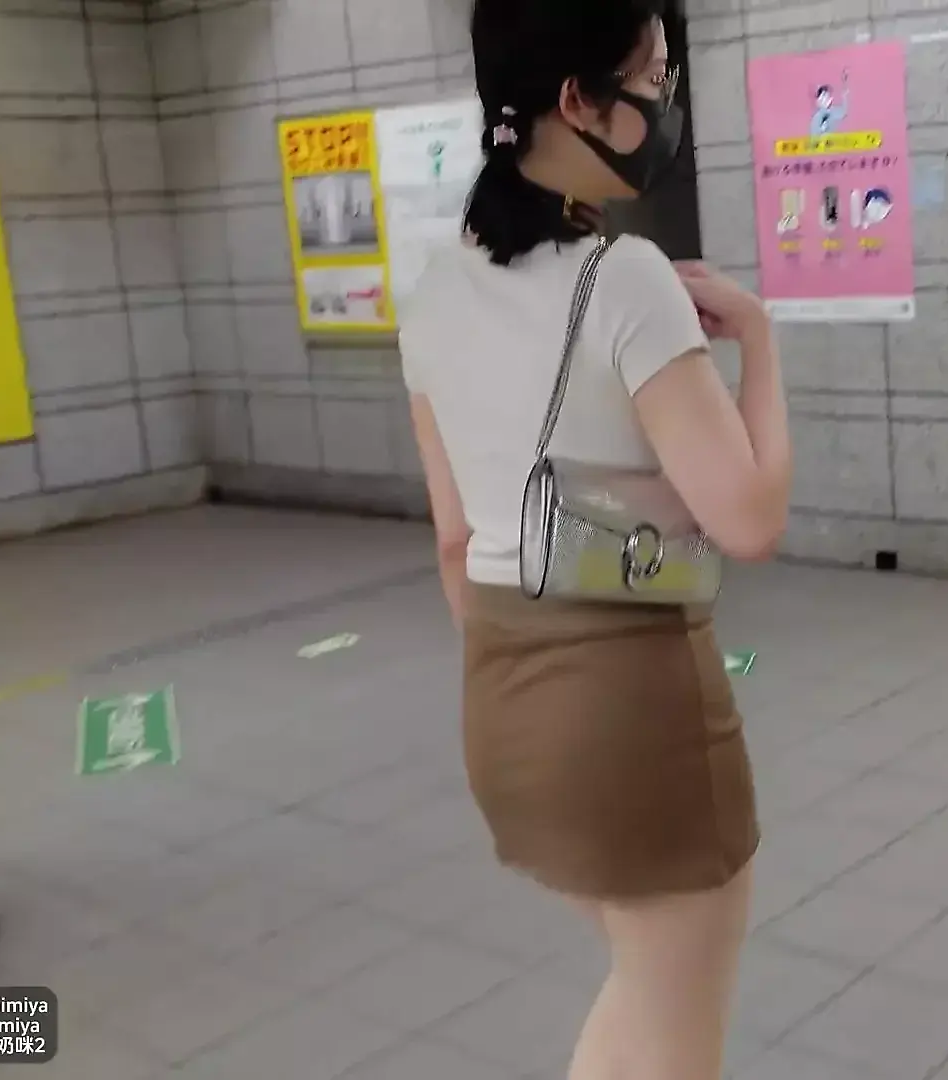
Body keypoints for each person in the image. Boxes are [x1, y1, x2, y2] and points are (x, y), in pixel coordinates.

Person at [396, 2, 792, 1078]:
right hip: (635, 721)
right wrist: (759, 343)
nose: (666, 102)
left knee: (646, 992)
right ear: (576, 99)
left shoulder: (431, 296)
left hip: (503, 713)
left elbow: (453, 542)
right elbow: (749, 517)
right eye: (654, 77)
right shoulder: (625, 278)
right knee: (675, 1031)